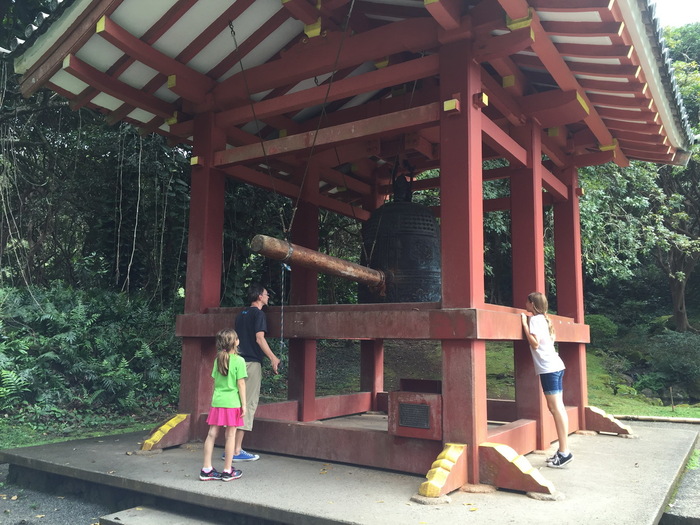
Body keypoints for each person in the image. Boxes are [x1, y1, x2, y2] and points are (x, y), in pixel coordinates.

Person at [520, 291, 573, 468]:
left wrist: (524, 325)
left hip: (549, 369)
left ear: (532, 304)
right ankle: (563, 451)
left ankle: (564, 452)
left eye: (527, 302)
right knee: (558, 408)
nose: (525, 305)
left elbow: (534, 343)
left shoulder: (534, 320)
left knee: (555, 408)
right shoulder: (544, 319)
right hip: (556, 366)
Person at [230, 282, 281, 463]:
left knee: (235, 404)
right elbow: (260, 338)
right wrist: (273, 358)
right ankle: (236, 450)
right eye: (266, 294)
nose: (268, 297)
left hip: (236, 362)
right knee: (248, 404)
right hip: (250, 363)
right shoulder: (258, 314)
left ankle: (230, 449)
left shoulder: (240, 314)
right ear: (259, 296)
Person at [200, 329, 247, 481]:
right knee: (230, 435)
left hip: (217, 401)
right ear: (235, 342)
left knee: (212, 433)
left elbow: (215, 381)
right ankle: (227, 470)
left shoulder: (218, 359)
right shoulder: (239, 361)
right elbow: (240, 383)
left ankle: (206, 469)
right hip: (232, 402)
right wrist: (244, 404)